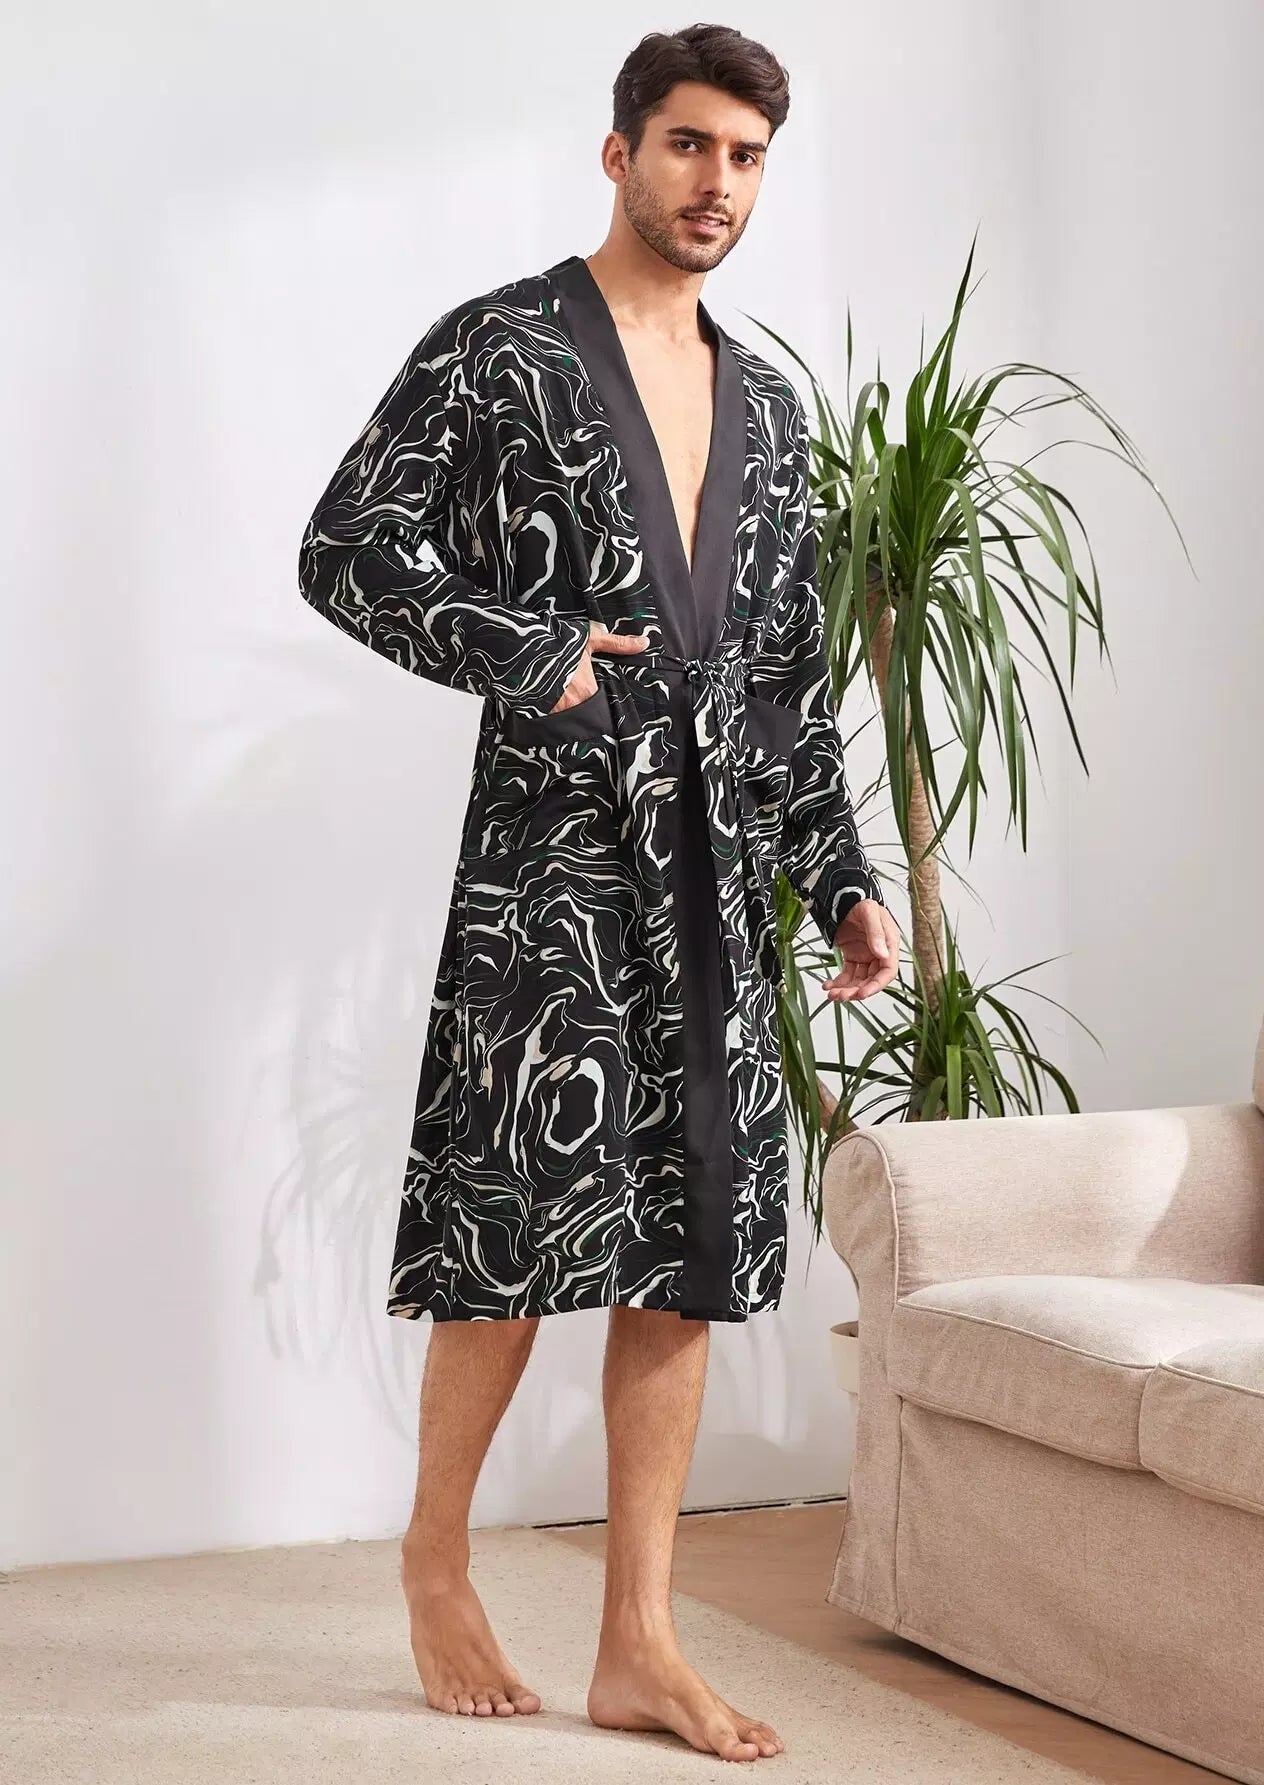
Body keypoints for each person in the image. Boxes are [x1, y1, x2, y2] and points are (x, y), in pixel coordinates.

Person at [297, 21, 901, 1765]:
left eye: (748, 157)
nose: (719, 183)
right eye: (690, 145)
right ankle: (435, 1559)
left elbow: (782, 676)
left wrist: (840, 878)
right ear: (621, 151)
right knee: (511, 1223)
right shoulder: (500, 349)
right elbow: (347, 546)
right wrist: (531, 649)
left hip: (717, 882)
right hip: (550, 862)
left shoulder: (772, 407)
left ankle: (639, 1637)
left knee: (687, 1247)